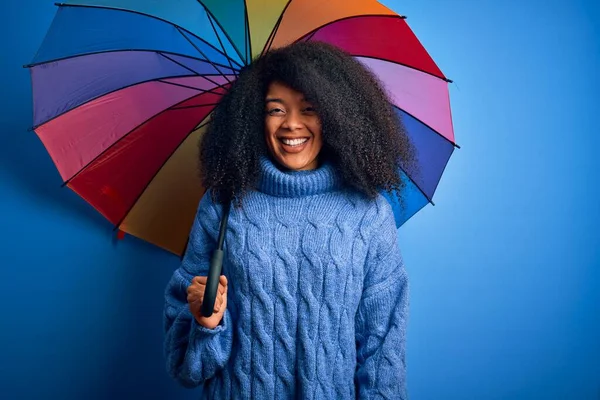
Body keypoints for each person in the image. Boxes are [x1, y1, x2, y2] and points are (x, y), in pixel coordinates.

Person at [163, 41, 416, 399]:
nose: (292, 124)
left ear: (336, 116)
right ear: (254, 116)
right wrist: (206, 324)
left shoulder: (368, 215)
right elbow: (187, 370)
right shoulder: (223, 204)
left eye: (309, 108)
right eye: (276, 109)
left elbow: (382, 348)